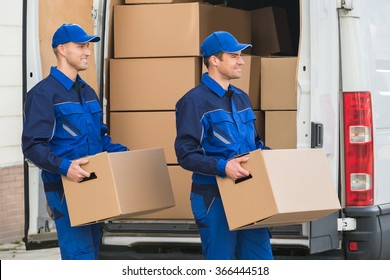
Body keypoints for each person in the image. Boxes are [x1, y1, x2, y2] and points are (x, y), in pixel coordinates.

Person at [22, 24, 128, 260]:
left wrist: (126, 156)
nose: (88, 51)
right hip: (65, 189)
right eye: (81, 46)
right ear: (61, 49)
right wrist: (65, 167)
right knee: (80, 257)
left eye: (88, 46)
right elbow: (32, 146)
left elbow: (100, 139)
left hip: (95, 186)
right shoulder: (43, 94)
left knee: (93, 253)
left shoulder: (87, 91)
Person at [174, 31, 273, 260]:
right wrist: (223, 167)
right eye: (234, 56)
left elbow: (255, 143)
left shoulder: (241, 97)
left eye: (241, 55)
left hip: (250, 193)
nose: (241, 61)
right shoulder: (194, 102)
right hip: (214, 198)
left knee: (260, 261)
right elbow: (185, 154)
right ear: (214, 60)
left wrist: (271, 159)